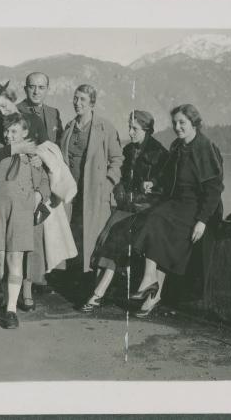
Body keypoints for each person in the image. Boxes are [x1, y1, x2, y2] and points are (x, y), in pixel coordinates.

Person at [129, 104, 224, 317]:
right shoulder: (177, 146)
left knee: (159, 222)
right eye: (175, 123)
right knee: (155, 220)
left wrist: (202, 220)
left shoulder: (204, 146)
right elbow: (166, 174)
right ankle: (151, 282)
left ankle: (150, 284)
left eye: (182, 123)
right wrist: (153, 183)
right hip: (179, 203)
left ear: (194, 123)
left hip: (199, 207)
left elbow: (214, 189)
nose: (178, 127)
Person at [0, 82, 49, 312]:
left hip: (25, 198)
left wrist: (39, 161)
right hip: (0, 198)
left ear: (11, 97)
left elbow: (46, 151)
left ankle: (21, 296)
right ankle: (8, 301)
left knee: (22, 249)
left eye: (4, 105)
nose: (3, 112)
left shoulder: (32, 121)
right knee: (3, 256)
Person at [80, 110, 169, 312]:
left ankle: (98, 293)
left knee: (116, 235)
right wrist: (119, 190)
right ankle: (99, 290)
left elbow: (165, 187)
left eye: (134, 128)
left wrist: (152, 185)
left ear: (147, 130)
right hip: (128, 206)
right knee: (106, 236)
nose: (130, 132)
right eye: (129, 127)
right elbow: (121, 180)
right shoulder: (128, 150)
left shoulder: (160, 154)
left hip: (147, 209)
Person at [60, 84, 124, 274]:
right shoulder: (69, 127)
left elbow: (118, 159)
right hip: (70, 193)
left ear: (92, 104)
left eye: (83, 100)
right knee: (71, 234)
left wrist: (108, 184)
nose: (77, 103)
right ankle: (70, 277)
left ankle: (90, 282)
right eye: (75, 98)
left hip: (93, 192)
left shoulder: (105, 128)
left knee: (92, 238)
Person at [17, 72, 63, 144]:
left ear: (47, 90)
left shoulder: (54, 112)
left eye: (41, 87)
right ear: (25, 89)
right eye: (32, 87)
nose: (36, 92)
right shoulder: (15, 111)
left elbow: (60, 141)